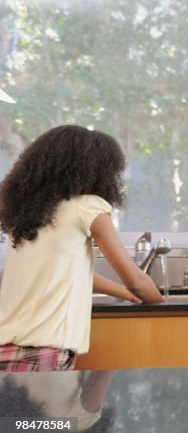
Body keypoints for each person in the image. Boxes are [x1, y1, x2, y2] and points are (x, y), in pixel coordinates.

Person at [0, 125, 164, 371]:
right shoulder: (88, 206)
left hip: (7, 347)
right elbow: (136, 280)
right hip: (44, 350)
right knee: (52, 412)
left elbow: (67, 270)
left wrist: (124, 294)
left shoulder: (29, 214)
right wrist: (161, 302)